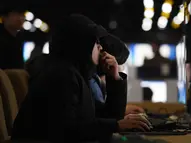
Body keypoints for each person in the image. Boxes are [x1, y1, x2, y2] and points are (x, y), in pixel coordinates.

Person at [12, 14, 150, 143]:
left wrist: (114, 78)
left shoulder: (75, 73)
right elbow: (65, 130)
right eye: (96, 42)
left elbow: (107, 116)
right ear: (83, 45)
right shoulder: (61, 75)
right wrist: (116, 125)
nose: (101, 47)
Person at [0, 5, 25, 69]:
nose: (20, 18)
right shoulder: (2, 40)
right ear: (4, 18)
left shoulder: (18, 39)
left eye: (22, 15)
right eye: (14, 14)